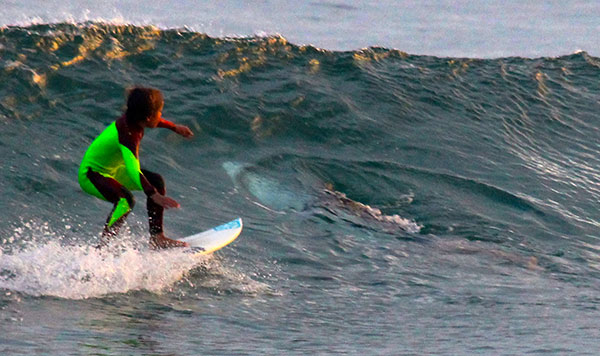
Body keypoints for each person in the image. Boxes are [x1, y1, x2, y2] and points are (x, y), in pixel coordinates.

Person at [78, 87, 193, 249]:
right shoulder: (128, 134)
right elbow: (133, 169)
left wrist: (174, 127)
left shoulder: (134, 119)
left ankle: (157, 239)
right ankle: (102, 249)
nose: (161, 115)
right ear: (147, 117)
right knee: (126, 200)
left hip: (113, 171)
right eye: (159, 112)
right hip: (91, 175)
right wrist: (153, 195)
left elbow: (154, 121)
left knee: (156, 180)